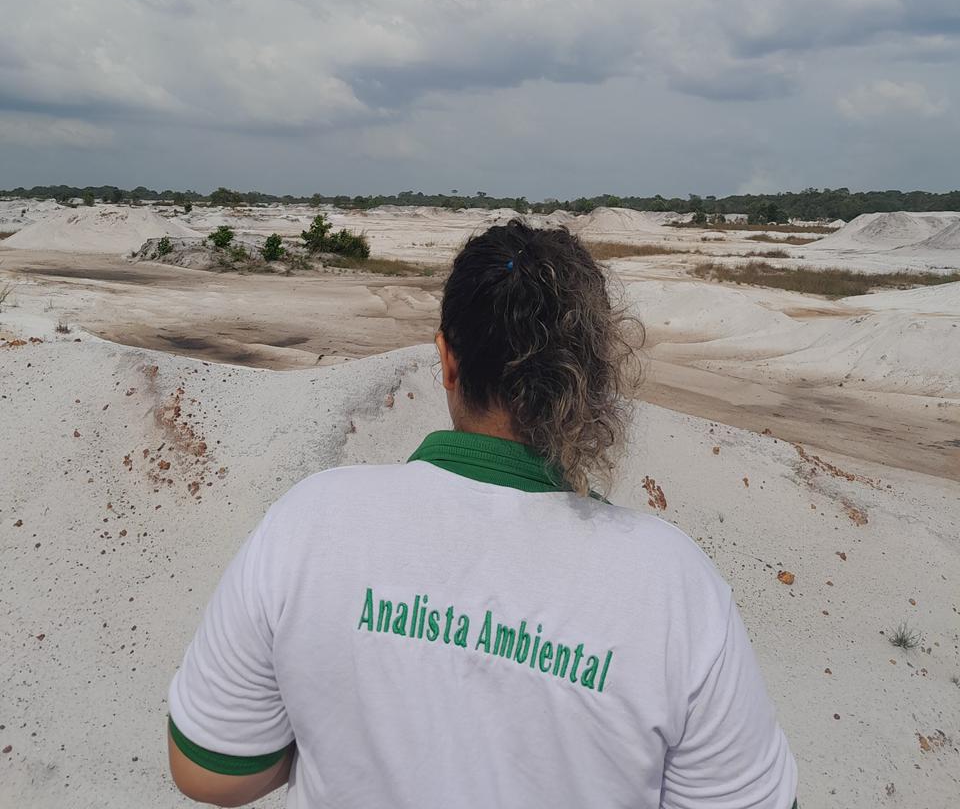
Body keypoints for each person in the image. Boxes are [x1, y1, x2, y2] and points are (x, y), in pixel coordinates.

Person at [168, 219, 798, 808]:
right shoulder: (673, 585)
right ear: (593, 377)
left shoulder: (312, 519)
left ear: (446, 361)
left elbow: (208, 770)